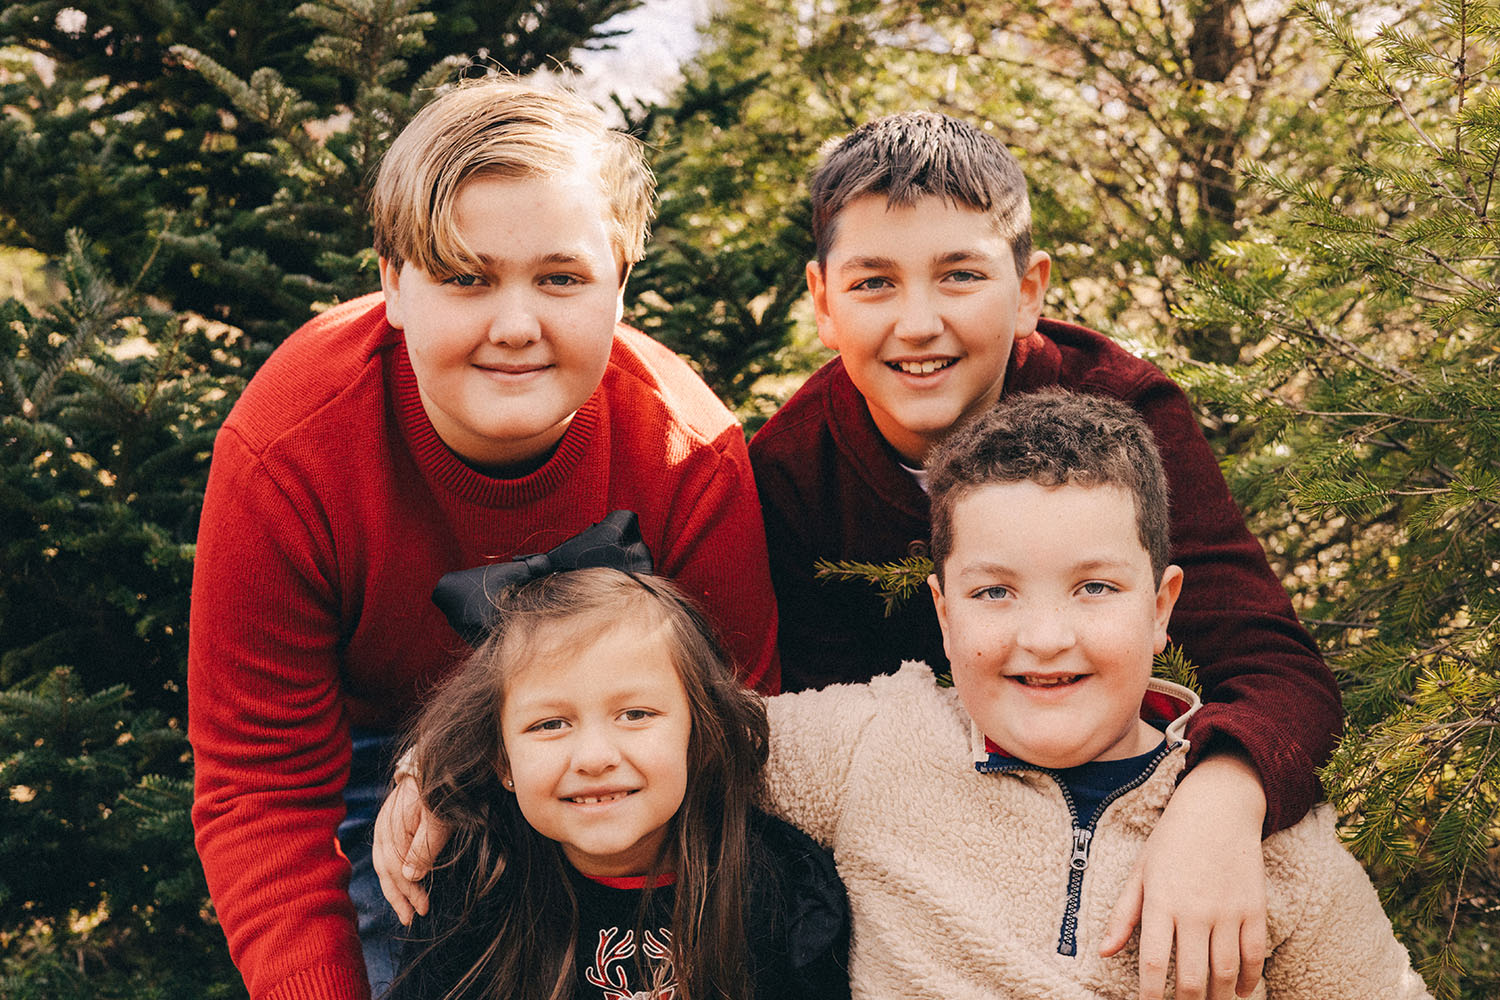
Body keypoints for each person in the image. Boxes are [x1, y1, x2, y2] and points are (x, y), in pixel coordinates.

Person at [188, 77, 779, 1000]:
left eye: (561, 279)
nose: (515, 327)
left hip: (619, 754)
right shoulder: (288, 450)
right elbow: (263, 786)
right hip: (366, 756)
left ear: (621, 284)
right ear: (393, 283)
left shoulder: (687, 453)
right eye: (466, 278)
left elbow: (741, 732)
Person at [745, 110, 1344, 998]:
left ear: (1028, 290)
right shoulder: (794, 470)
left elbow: (1275, 668)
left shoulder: (1124, 414)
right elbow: (813, 741)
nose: (919, 323)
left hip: (1121, 814)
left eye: (960, 275)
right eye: (874, 283)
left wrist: (1220, 799)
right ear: (824, 302)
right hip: (922, 867)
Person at [758, 390, 1430, 999]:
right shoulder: (872, 743)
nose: (1046, 638)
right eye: (994, 592)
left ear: (1160, 608)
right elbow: (703, 735)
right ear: (944, 615)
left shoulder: (1275, 855)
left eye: (1095, 588)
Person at [383, 568, 848, 1000]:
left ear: (698, 735)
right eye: (550, 724)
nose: (594, 758)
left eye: (635, 714)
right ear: (502, 760)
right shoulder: (471, 884)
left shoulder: (782, 888)